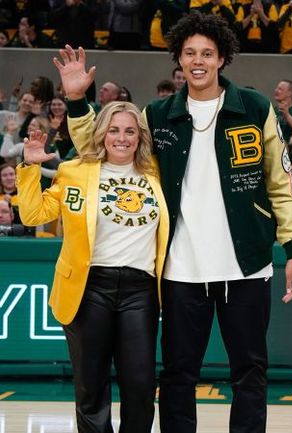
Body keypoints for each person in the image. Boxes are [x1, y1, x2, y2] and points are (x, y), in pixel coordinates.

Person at [56, 10, 292, 433]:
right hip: (179, 270)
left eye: (207, 53)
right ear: (179, 58)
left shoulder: (255, 107)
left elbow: (280, 184)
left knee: (250, 373)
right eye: (190, 52)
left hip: (246, 266)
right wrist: (78, 101)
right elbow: (102, 146)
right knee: (177, 375)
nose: (198, 60)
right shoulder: (157, 114)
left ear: (222, 58)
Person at [16, 101, 169, 433]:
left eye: (130, 131)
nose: (122, 138)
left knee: (141, 386)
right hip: (88, 287)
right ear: (101, 134)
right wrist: (28, 167)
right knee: (91, 388)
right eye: (114, 130)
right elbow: (33, 215)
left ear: (140, 137)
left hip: (140, 289)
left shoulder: (157, 170)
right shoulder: (74, 171)